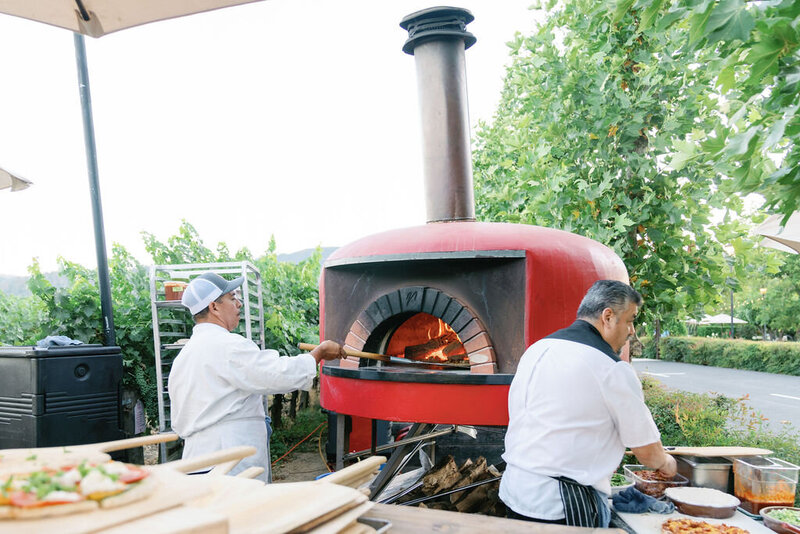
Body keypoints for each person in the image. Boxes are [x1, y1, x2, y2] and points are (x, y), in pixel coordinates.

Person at [499, 280, 677, 527]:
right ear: (608, 316)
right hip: (562, 505)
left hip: (515, 491)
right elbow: (648, 453)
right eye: (630, 320)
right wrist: (668, 463)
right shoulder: (611, 368)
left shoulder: (539, 348)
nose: (632, 331)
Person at [168, 272, 345, 482]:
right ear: (214, 307)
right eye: (232, 298)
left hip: (197, 458)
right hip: (229, 457)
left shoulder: (185, 355)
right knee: (243, 513)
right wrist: (318, 354)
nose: (239, 304)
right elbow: (277, 374)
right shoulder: (226, 346)